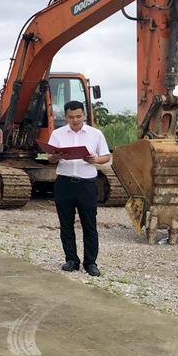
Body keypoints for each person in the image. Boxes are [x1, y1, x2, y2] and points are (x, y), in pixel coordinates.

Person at [48, 100, 110, 277]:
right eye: (71, 117)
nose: (75, 120)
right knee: (66, 223)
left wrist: (95, 160)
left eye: (78, 116)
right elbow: (50, 158)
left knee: (89, 224)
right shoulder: (58, 134)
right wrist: (56, 156)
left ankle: (90, 263)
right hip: (64, 183)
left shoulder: (95, 134)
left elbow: (106, 156)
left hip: (86, 184)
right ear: (65, 117)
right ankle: (71, 260)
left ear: (84, 115)